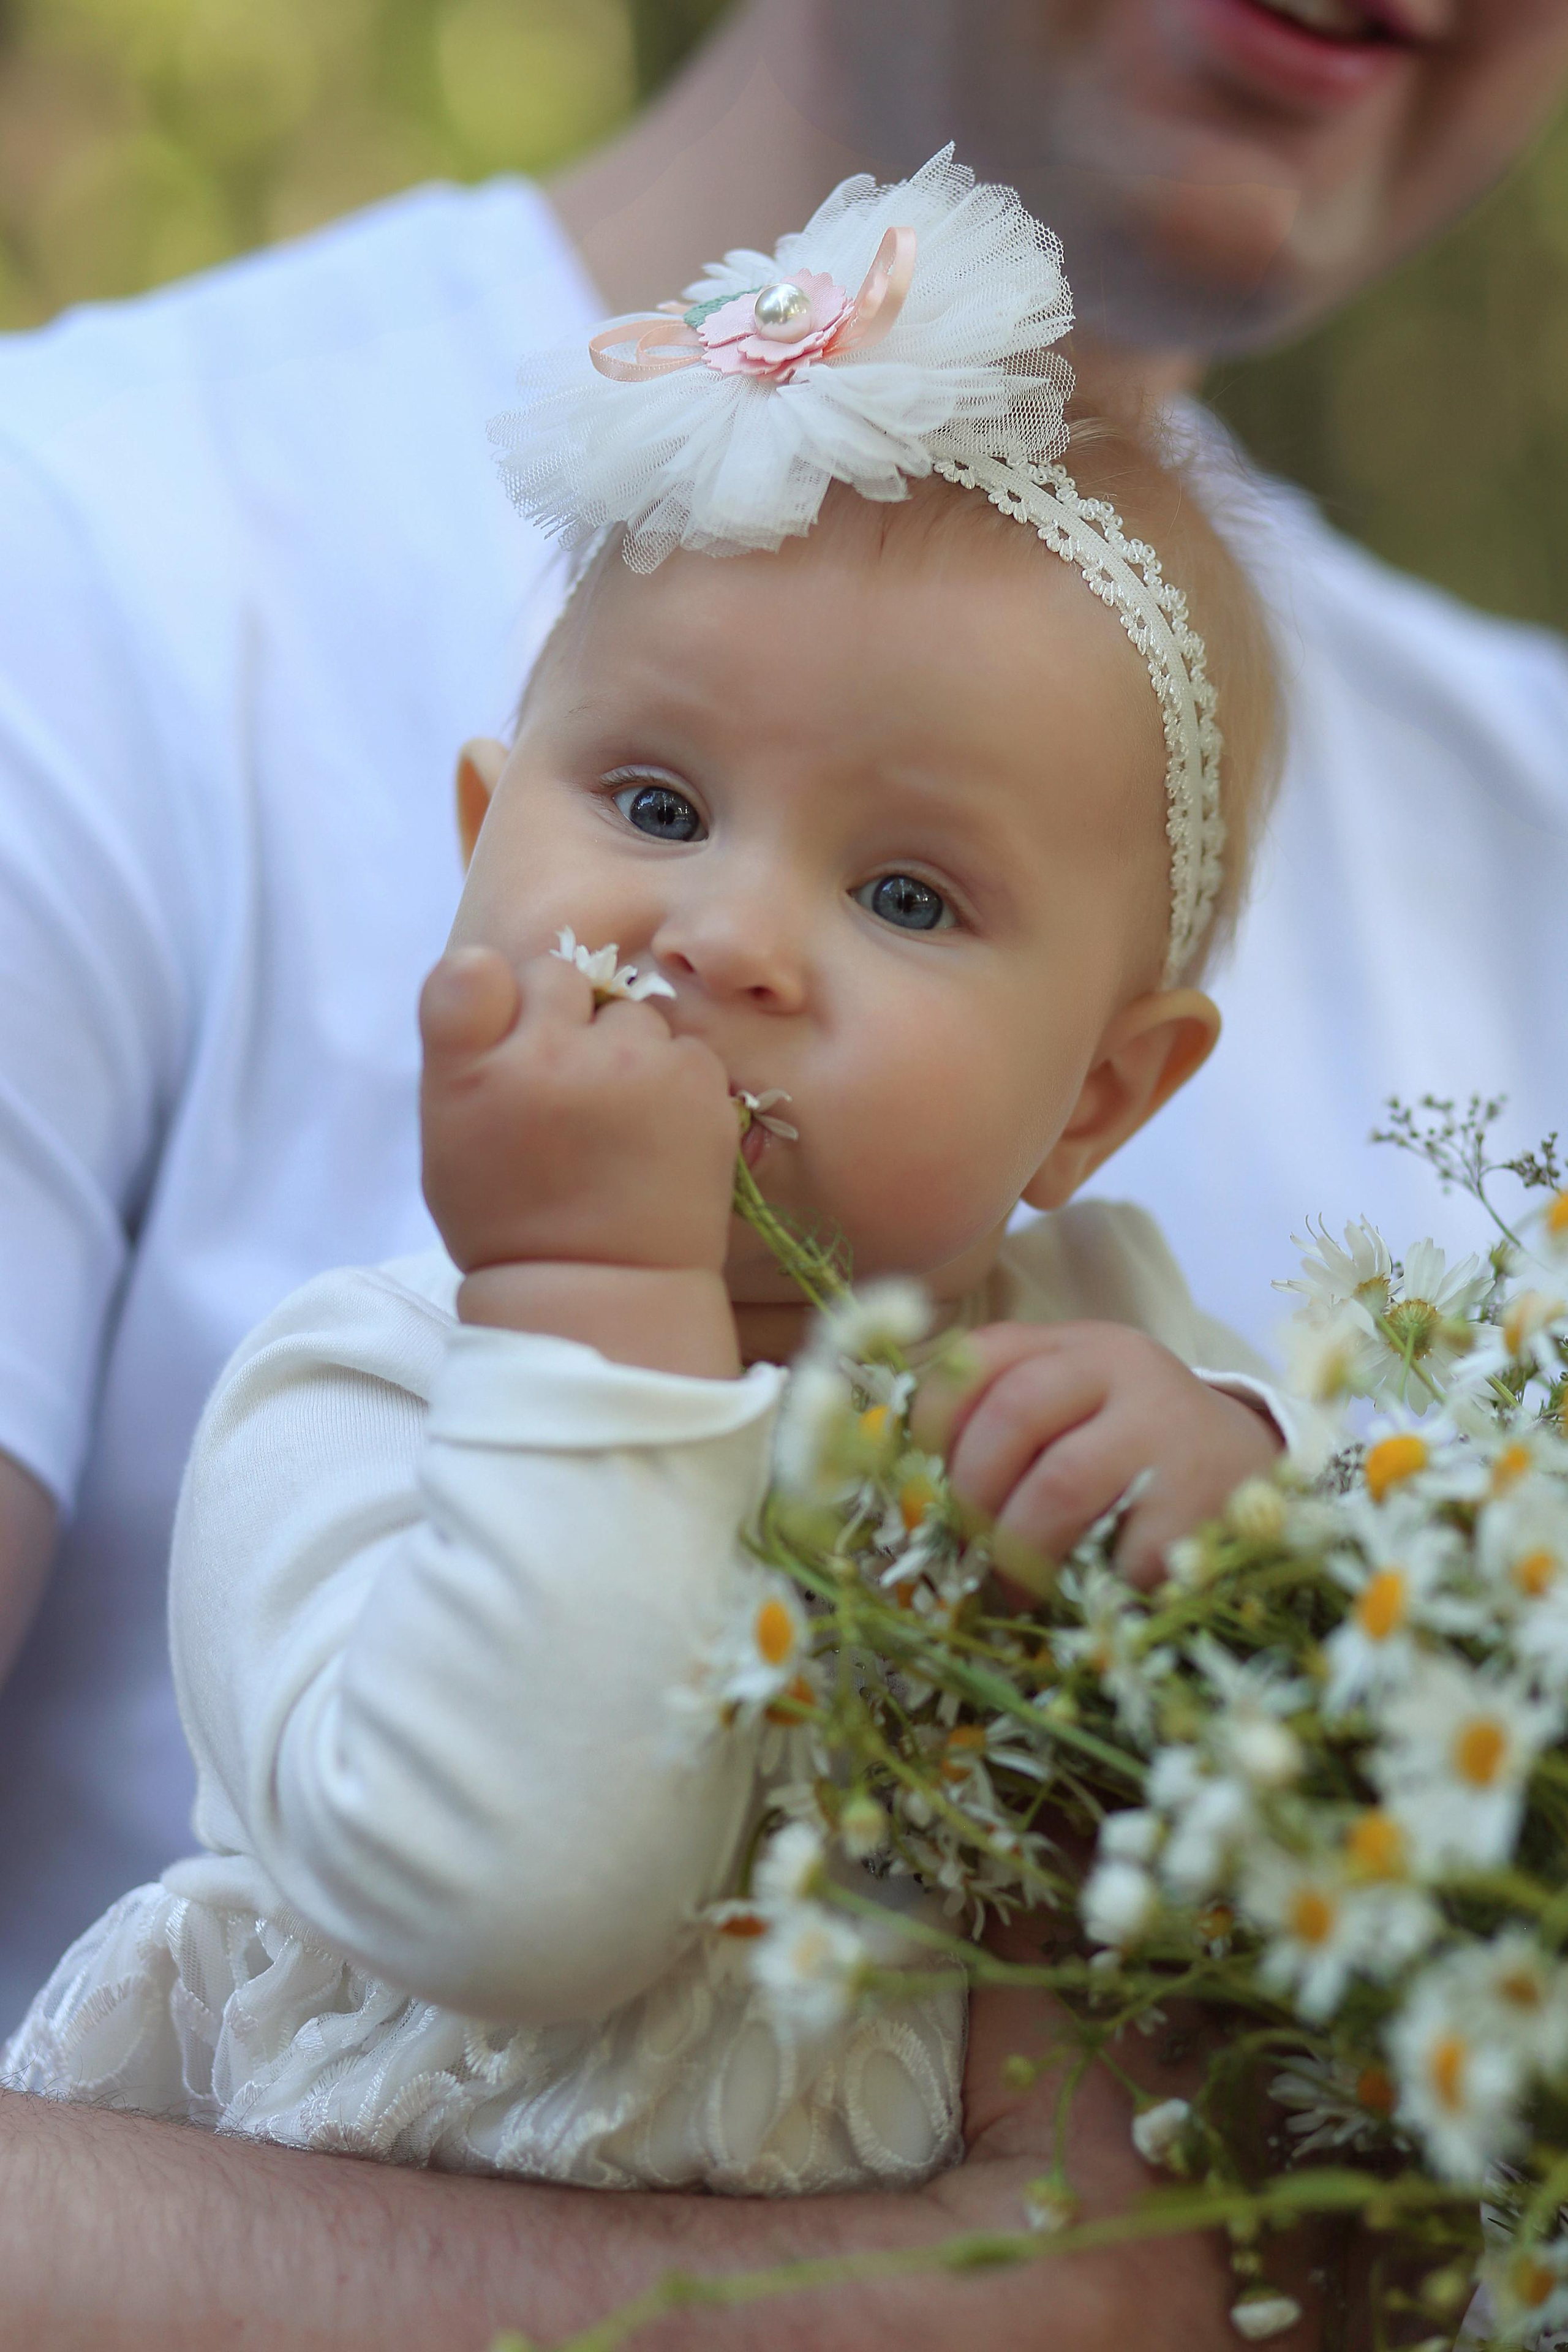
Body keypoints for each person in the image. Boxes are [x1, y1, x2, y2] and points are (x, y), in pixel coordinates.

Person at [1, 1, 1566, 2342]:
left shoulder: (1114, 1348)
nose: (725, 933)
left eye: (910, 902)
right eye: (647, 810)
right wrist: (590, 1301)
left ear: (1103, 1105)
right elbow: (529, 1886)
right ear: (471, 847)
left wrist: (1235, 1529)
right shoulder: (365, 1409)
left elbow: (1350, 1930)